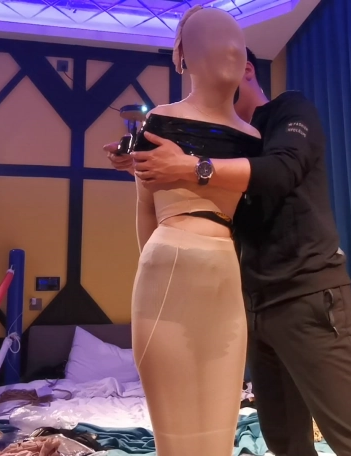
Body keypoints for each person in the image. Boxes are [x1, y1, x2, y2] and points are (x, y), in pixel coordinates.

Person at [105, 49, 351, 455]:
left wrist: (191, 167)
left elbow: (281, 169)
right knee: (283, 441)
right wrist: (141, 159)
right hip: (249, 306)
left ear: (245, 69)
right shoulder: (221, 137)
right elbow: (172, 178)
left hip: (307, 296)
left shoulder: (288, 111)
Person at [123, 7, 262, 456]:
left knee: (219, 434)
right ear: (183, 57)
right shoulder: (160, 122)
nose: (229, 49)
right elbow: (145, 207)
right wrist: (155, 267)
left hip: (226, 282)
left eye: (236, 42)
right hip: (169, 268)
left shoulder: (254, 140)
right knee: (177, 437)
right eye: (213, 40)